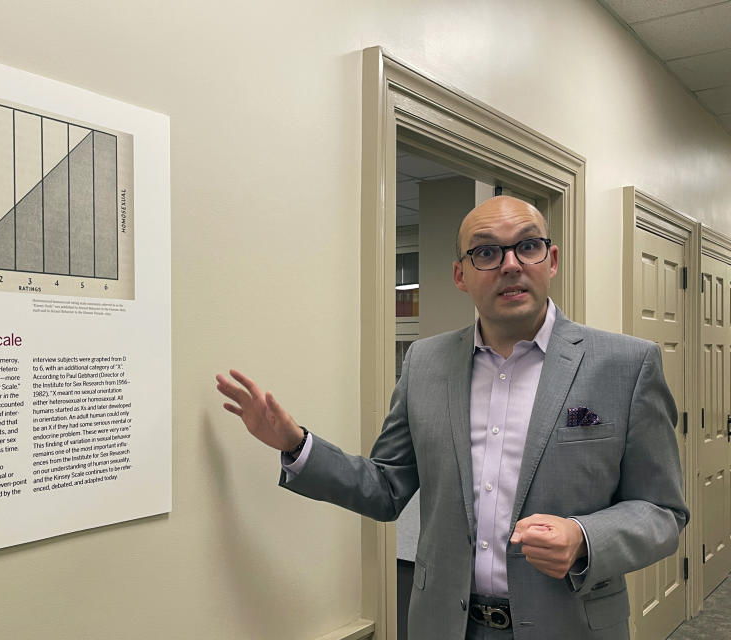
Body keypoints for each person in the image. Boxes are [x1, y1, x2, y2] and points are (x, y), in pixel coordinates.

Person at [216, 196, 688, 639]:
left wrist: (585, 537)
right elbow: (385, 488)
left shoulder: (626, 365)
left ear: (552, 260)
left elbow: (662, 512)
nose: (510, 264)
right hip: (445, 624)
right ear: (461, 275)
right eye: (486, 252)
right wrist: (295, 444)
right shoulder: (425, 363)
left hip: (570, 624)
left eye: (527, 246)